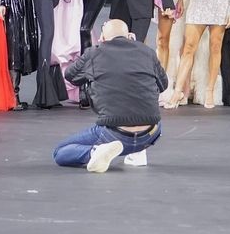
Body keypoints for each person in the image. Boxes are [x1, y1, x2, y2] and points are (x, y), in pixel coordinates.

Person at [54, 21, 170, 172]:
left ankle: (95, 152)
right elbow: (163, 84)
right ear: (129, 36)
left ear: (102, 37)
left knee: (60, 152)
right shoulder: (147, 52)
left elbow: (70, 75)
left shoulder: (94, 53)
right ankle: (138, 153)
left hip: (116, 134)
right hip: (151, 133)